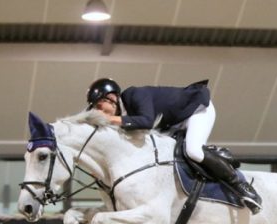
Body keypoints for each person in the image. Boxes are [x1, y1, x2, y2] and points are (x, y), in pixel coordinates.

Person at [86, 77, 262, 214]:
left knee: (193, 151)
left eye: (100, 107)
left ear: (111, 98)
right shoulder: (125, 115)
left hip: (195, 110)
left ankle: (241, 186)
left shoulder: (135, 94)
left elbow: (146, 121)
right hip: (174, 125)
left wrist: (109, 119)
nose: (100, 113)